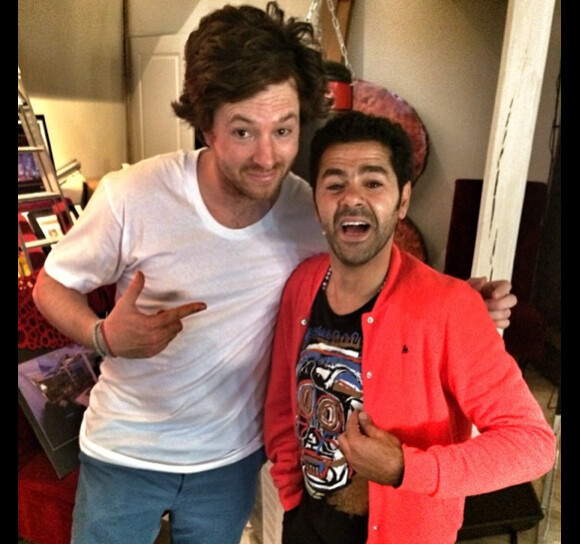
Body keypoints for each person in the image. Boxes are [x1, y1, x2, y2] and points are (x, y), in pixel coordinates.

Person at [31, 3, 516, 544]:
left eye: (284, 130)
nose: (267, 156)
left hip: (231, 463)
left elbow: (375, 266)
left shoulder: (308, 210)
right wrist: (103, 335)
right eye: (243, 132)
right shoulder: (133, 195)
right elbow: (50, 286)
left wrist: (455, 297)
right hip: (125, 452)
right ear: (205, 124)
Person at [263, 110, 556, 544]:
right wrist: (290, 492)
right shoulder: (302, 284)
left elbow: (533, 444)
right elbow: (283, 404)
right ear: (317, 203)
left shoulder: (451, 307)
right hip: (306, 524)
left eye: (373, 182)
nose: (352, 198)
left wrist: (405, 468)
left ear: (403, 200)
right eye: (335, 183)